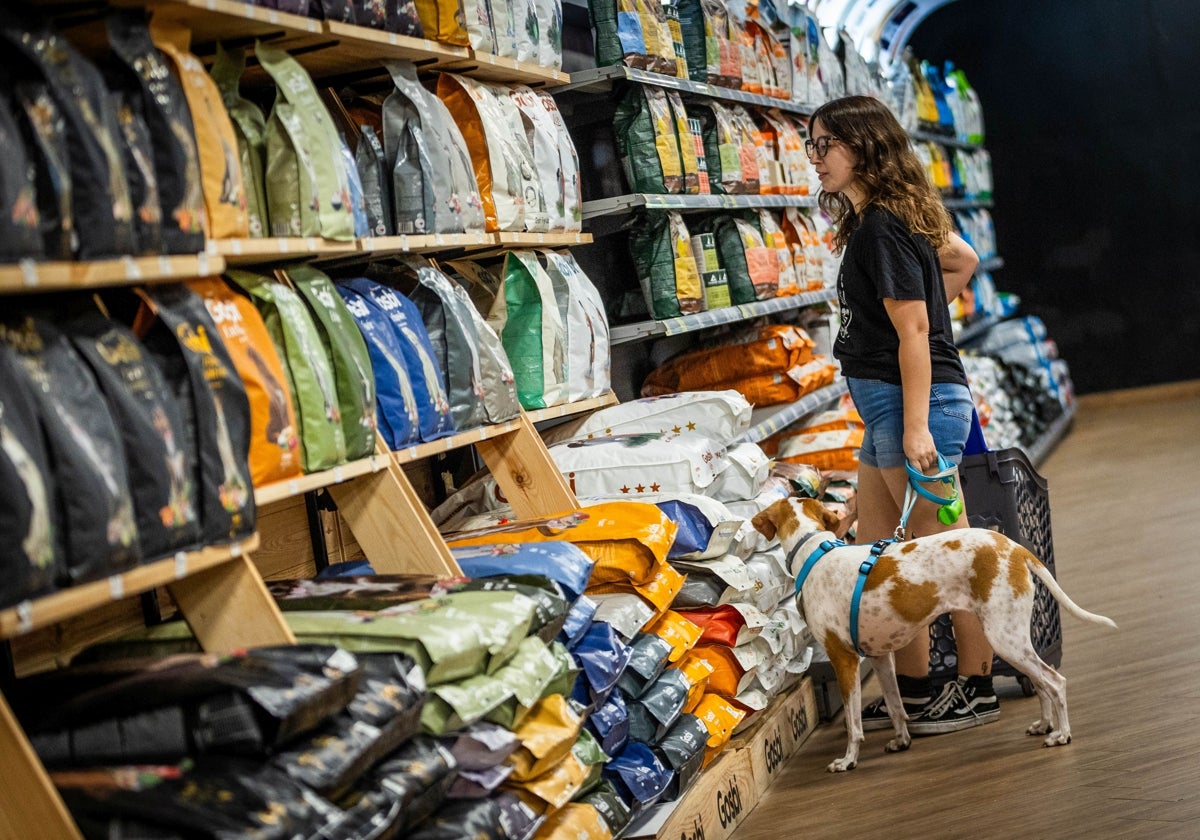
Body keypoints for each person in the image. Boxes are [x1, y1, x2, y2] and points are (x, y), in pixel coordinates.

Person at [806, 95, 998, 734]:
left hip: (916, 405)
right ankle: (916, 687)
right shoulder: (888, 219)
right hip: (891, 404)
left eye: (825, 143)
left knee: (945, 557)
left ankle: (976, 685)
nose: (816, 157)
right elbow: (962, 259)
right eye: (813, 144)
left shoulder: (883, 226)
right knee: (885, 555)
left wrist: (917, 423)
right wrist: (924, 325)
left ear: (862, 147)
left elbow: (914, 331)